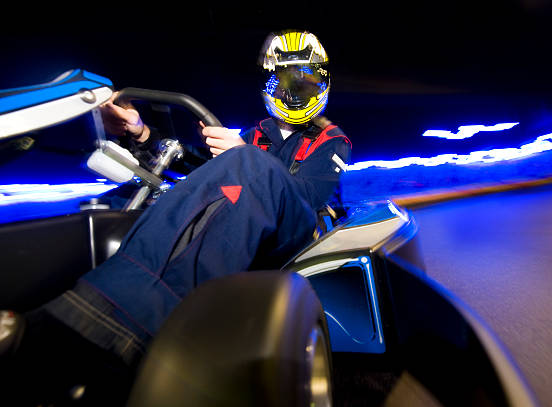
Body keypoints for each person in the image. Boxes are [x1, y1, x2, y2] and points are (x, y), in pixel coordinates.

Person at [4, 30, 351, 405]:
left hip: (300, 232)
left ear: (321, 82)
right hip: (254, 212)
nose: (294, 91)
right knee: (137, 196)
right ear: (270, 83)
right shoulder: (256, 135)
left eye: (305, 81)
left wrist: (245, 156)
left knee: (248, 163)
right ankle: (86, 291)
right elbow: (203, 168)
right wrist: (142, 132)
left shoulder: (331, 141)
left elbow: (304, 196)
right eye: (285, 82)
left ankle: (117, 324)